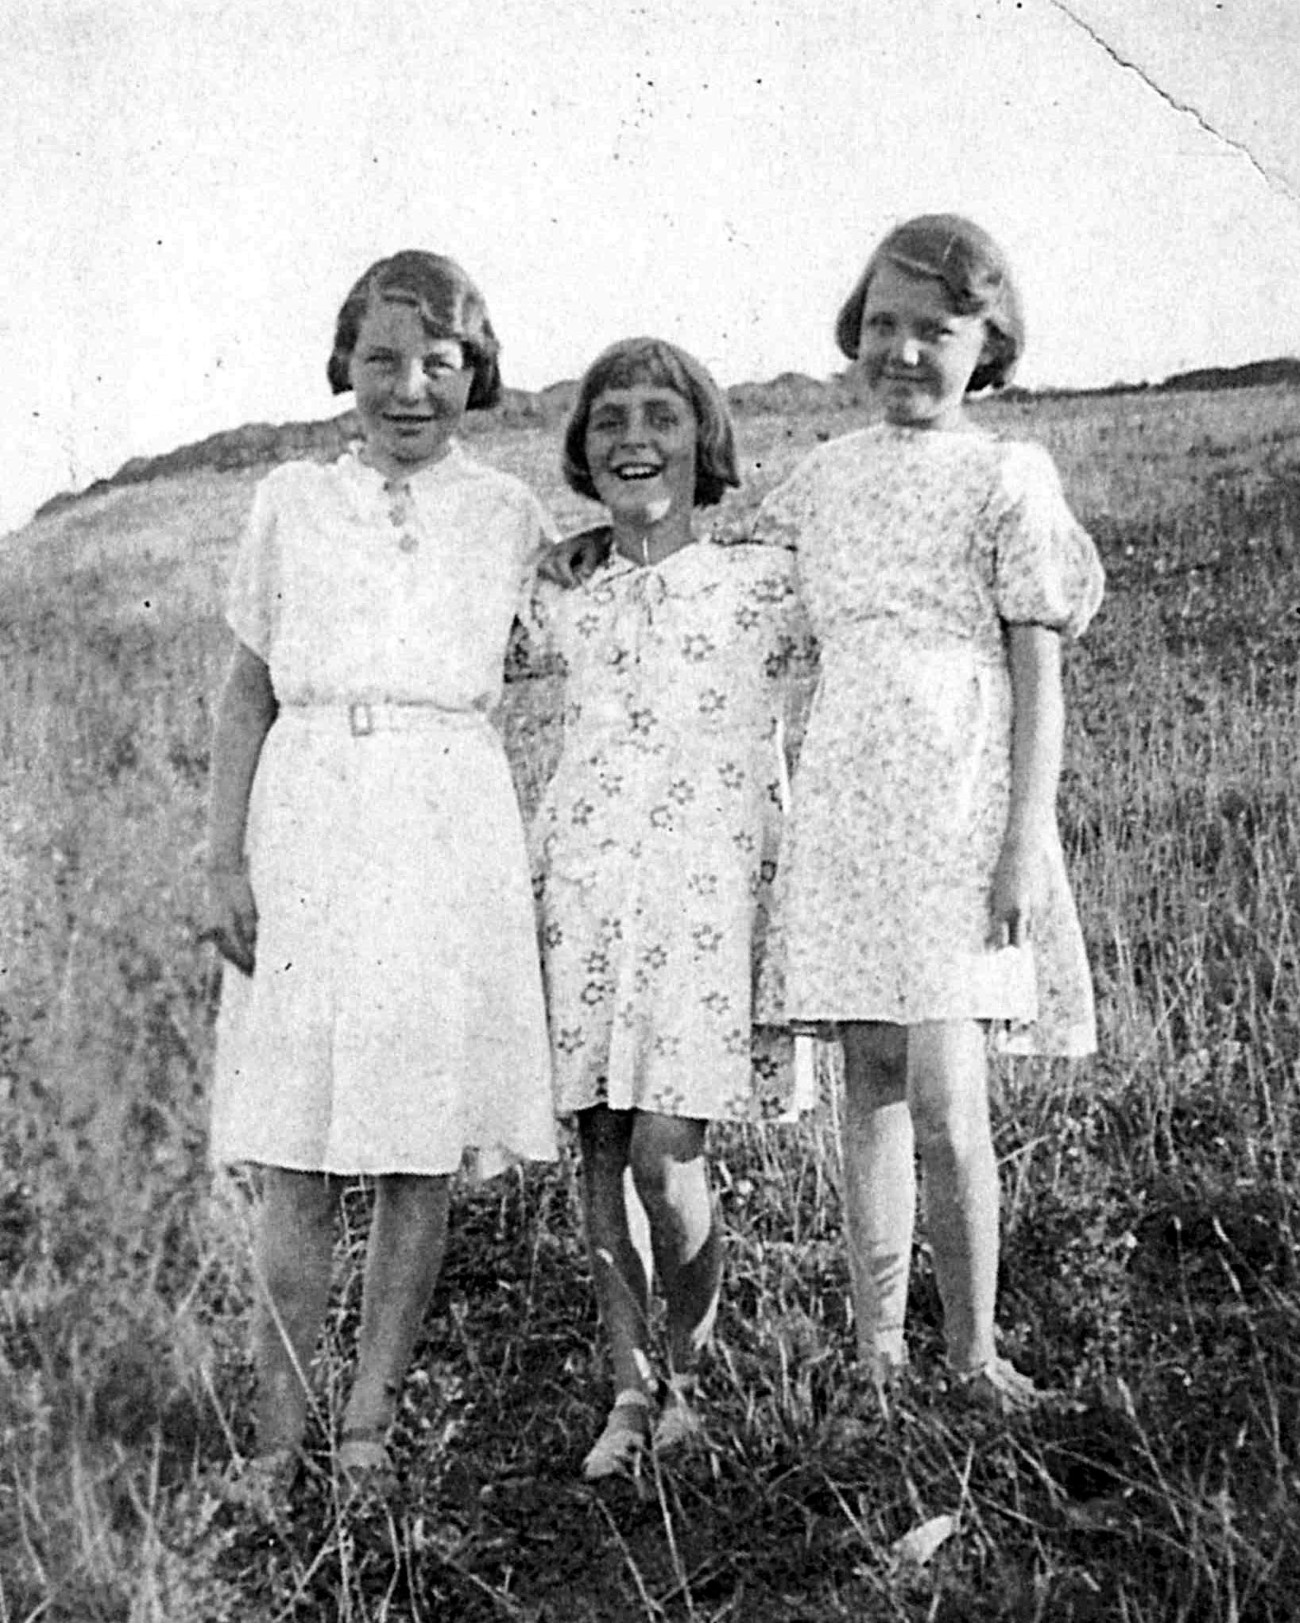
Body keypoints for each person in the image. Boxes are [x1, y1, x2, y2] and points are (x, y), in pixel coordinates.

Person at [204, 250, 556, 1500]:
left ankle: (369, 1423)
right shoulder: (291, 499)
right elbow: (247, 688)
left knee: (416, 1143)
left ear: (476, 371)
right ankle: (277, 1438)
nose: (410, 389)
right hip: (306, 815)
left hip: (444, 819)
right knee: (293, 1148)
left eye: (440, 363)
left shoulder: (510, 516)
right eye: (382, 361)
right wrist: (220, 858)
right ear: (344, 367)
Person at [753, 215, 1104, 1410]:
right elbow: (731, 581)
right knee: (868, 1084)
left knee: (952, 1100)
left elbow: (1038, 671)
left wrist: (1023, 840)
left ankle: (974, 1351)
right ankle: (877, 1352)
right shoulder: (825, 472)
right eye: (884, 326)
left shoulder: (1009, 472)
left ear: (986, 343)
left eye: (936, 332)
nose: (904, 353)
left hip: (956, 804)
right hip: (848, 795)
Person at [518, 338, 814, 1477]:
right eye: (608, 423)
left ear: (704, 442)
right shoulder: (558, 589)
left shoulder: (761, 580)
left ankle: (694, 1370)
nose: (633, 439)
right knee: (599, 1146)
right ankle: (629, 1390)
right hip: (586, 886)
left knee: (664, 1152)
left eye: (660, 417)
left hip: (706, 898)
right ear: (583, 454)